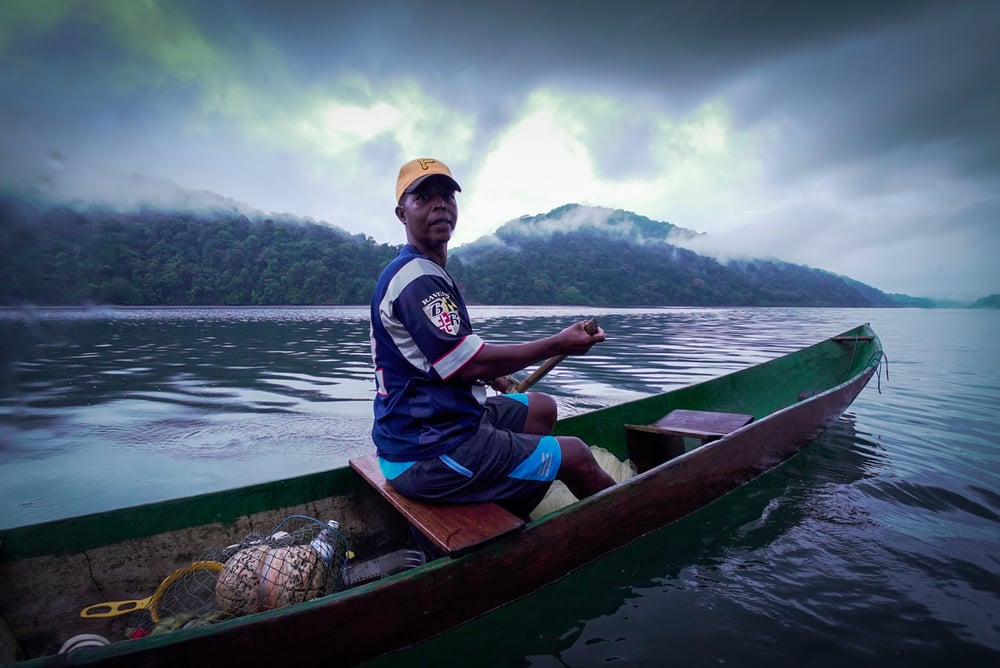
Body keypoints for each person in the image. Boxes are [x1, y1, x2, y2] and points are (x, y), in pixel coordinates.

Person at [369, 157, 616, 518]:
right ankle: (634, 523)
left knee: (542, 407)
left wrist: (492, 376)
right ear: (401, 214)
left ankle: (506, 505)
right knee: (576, 455)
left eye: (447, 196)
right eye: (423, 198)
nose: (439, 204)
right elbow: (468, 361)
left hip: (444, 423)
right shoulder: (417, 280)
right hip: (428, 453)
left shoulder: (424, 271)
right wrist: (558, 344)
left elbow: (440, 360)